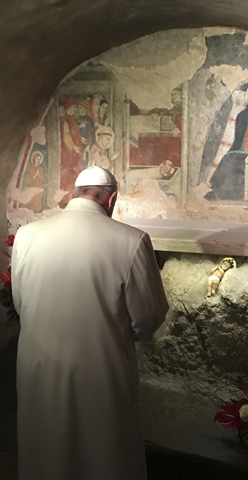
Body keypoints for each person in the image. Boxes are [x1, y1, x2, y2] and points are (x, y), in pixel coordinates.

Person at [11, 165, 169, 480]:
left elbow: (20, 303)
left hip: (39, 372)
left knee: (45, 452)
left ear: (75, 194)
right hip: (100, 376)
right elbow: (148, 318)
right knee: (102, 457)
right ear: (111, 200)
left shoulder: (26, 236)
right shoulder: (132, 240)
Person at [199, 87, 248, 202]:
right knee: (228, 159)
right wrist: (232, 151)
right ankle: (219, 192)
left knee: (235, 162)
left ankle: (225, 194)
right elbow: (239, 138)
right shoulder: (243, 115)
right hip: (243, 150)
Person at [60, 97, 83, 203]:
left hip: (75, 150)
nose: (75, 109)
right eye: (73, 107)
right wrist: (73, 146)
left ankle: (74, 196)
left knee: (75, 173)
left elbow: (74, 132)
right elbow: (66, 134)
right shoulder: (65, 119)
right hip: (69, 152)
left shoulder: (72, 118)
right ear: (68, 107)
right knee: (69, 172)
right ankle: (66, 199)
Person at [76, 99, 96, 169]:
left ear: (85, 108)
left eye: (80, 108)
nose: (78, 110)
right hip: (78, 144)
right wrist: (79, 138)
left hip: (87, 145)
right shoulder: (77, 120)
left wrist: (89, 145)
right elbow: (74, 133)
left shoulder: (89, 120)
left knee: (86, 162)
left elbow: (92, 133)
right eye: (78, 108)